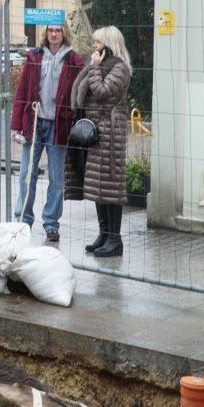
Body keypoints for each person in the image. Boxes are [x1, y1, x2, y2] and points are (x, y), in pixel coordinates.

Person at [11, 22, 86, 242]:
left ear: (64, 33)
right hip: (34, 124)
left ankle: (51, 223)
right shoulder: (34, 56)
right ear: (45, 33)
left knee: (56, 178)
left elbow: (80, 93)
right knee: (26, 175)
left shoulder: (74, 60)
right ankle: (22, 220)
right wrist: (16, 125)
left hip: (58, 125)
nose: (54, 34)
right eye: (50, 30)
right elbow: (22, 91)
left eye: (58, 30)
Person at [71, 26, 132, 258]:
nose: (93, 47)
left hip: (110, 133)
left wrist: (94, 69)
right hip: (97, 133)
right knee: (97, 184)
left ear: (108, 45)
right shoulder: (99, 66)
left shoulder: (120, 69)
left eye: (97, 43)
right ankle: (104, 234)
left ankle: (115, 240)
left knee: (111, 186)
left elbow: (102, 93)